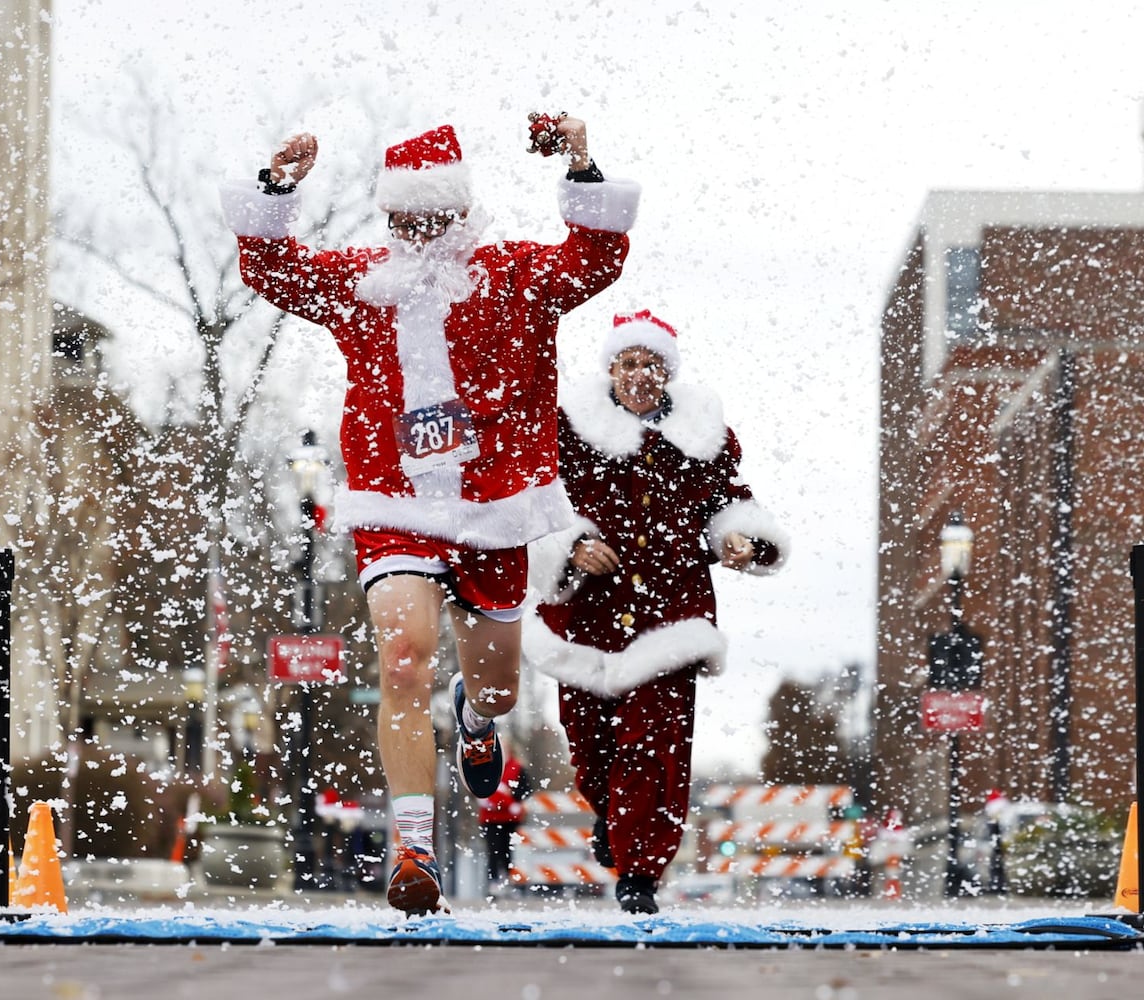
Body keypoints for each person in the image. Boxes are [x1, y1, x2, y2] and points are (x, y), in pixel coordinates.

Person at [221, 118, 640, 914]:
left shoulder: (516, 275)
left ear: (459, 215)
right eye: (401, 219)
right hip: (394, 501)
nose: (415, 234)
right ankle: (412, 849)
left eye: (430, 218)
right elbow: (273, 270)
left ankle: (474, 725)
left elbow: (594, 258)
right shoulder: (361, 282)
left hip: (493, 507)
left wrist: (582, 161)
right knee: (404, 661)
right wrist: (278, 186)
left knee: (493, 690)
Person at [523, 310, 788, 914]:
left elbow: (732, 503)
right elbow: (539, 503)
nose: (641, 374)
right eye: (630, 362)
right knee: (589, 745)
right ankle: (610, 814)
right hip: (586, 619)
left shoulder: (700, 440)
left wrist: (740, 538)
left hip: (671, 613)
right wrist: (572, 543)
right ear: (610, 369)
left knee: (656, 745)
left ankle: (640, 868)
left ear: (669, 373)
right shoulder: (566, 431)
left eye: (653, 364)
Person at [478, 743, 531, 892]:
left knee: (507, 849)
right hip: (490, 818)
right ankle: (493, 881)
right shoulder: (487, 766)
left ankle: (508, 879)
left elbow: (525, 789)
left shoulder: (518, 768)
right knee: (493, 850)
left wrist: (514, 801)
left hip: (510, 818)